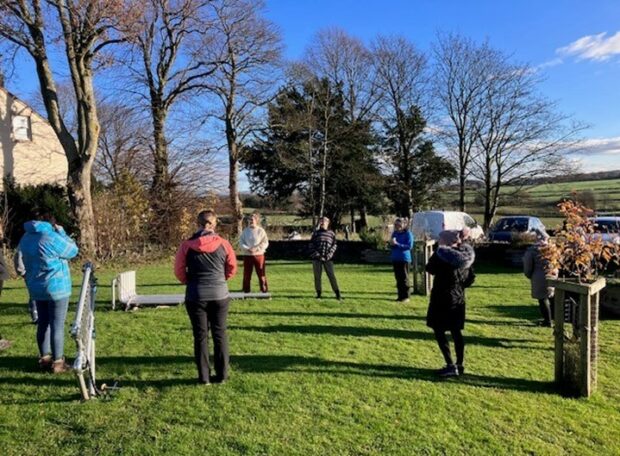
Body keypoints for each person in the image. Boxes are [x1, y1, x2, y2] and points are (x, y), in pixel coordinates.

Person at [174, 210, 237, 385]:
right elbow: (232, 267)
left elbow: (178, 270)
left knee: (200, 336)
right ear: (213, 224)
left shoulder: (186, 245)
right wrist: (222, 279)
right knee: (220, 334)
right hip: (219, 294)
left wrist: (188, 281)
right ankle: (222, 375)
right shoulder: (224, 244)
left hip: (196, 294)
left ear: (198, 223)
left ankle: (204, 377)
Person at [18, 212, 78, 373]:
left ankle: (44, 358)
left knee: (43, 323)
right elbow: (72, 250)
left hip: (36, 287)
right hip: (57, 287)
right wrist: (62, 232)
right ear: (52, 224)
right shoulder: (51, 236)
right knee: (57, 325)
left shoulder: (26, 237)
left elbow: (19, 257)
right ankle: (58, 362)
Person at [425, 230, 475, 377]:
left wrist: (437, 252)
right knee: (456, 331)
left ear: (445, 240)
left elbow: (429, 268)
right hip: (458, 297)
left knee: (439, 330)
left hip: (441, 297)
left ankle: (450, 365)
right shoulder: (467, 256)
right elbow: (471, 278)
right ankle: (459, 364)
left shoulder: (442, 255)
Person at [523, 229, 557, 327]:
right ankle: (553, 319)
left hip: (539, 277)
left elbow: (528, 266)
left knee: (542, 299)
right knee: (551, 298)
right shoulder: (552, 249)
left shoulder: (533, 250)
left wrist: (529, 275)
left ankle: (548, 321)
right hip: (552, 275)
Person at [309, 217, 341, 300]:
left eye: (324, 221)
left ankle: (337, 294)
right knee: (317, 277)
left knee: (331, 276)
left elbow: (334, 245)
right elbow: (311, 245)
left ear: (328, 223)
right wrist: (318, 255)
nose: (322, 223)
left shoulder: (331, 233)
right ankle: (318, 294)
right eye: (321, 221)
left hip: (328, 259)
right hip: (317, 258)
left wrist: (329, 255)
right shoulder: (315, 233)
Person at [239, 212, 269, 293]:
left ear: (256, 220)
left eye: (252, 219)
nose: (251, 221)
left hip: (259, 255)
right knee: (247, 274)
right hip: (247, 255)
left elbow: (265, 242)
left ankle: (264, 290)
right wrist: (248, 249)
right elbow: (241, 242)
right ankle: (246, 290)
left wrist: (257, 249)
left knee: (261, 273)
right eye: (249, 219)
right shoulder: (245, 231)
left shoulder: (261, 231)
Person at [390, 218, 414, 302]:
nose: (397, 227)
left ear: (404, 225)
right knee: (398, 278)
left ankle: (406, 296)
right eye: (395, 225)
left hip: (404, 259)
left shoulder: (408, 234)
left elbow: (409, 246)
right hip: (395, 258)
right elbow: (392, 245)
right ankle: (400, 296)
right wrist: (392, 244)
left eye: (398, 225)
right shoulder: (394, 233)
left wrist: (397, 244)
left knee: (404, 278)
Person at [14, 248, 38, 323]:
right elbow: (18, 257)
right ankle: (35, 316)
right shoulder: (25, 241)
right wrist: (22, 272)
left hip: (41, 273)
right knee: (34, 294)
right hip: (30, 274)